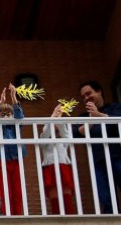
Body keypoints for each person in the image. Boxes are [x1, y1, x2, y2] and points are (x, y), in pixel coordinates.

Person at [72, 80, 121, 214]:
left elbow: (118, 120)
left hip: (118, 157)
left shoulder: (114, 108)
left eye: (89, 93)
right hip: (99, 161)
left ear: (99, 91)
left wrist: (98, 115)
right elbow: (76, 132)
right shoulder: (84, 116)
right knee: (106, 199)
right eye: (84, 96)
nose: (87, 97)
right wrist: (92, 119)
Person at [0, 83, 26, 215]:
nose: (5, 116)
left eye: (8, 114)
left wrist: (13, 97)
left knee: (18, 191)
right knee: (6, 192)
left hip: (16, 161)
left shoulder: (16, 127)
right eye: (2, 114)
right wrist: (1, 102)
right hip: (1, 162)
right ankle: (8, 217)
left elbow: (20, 116)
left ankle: (18, 216)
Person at [40, 104, 75, 214]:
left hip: (63, 165)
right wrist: (52, 116)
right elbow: (46, 133)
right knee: (54, 195)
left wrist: (58, 118)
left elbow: (65, 133)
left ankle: (70, 218)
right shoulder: (44, 140)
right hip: (50, 167)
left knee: (66, 194)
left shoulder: (63, 140)